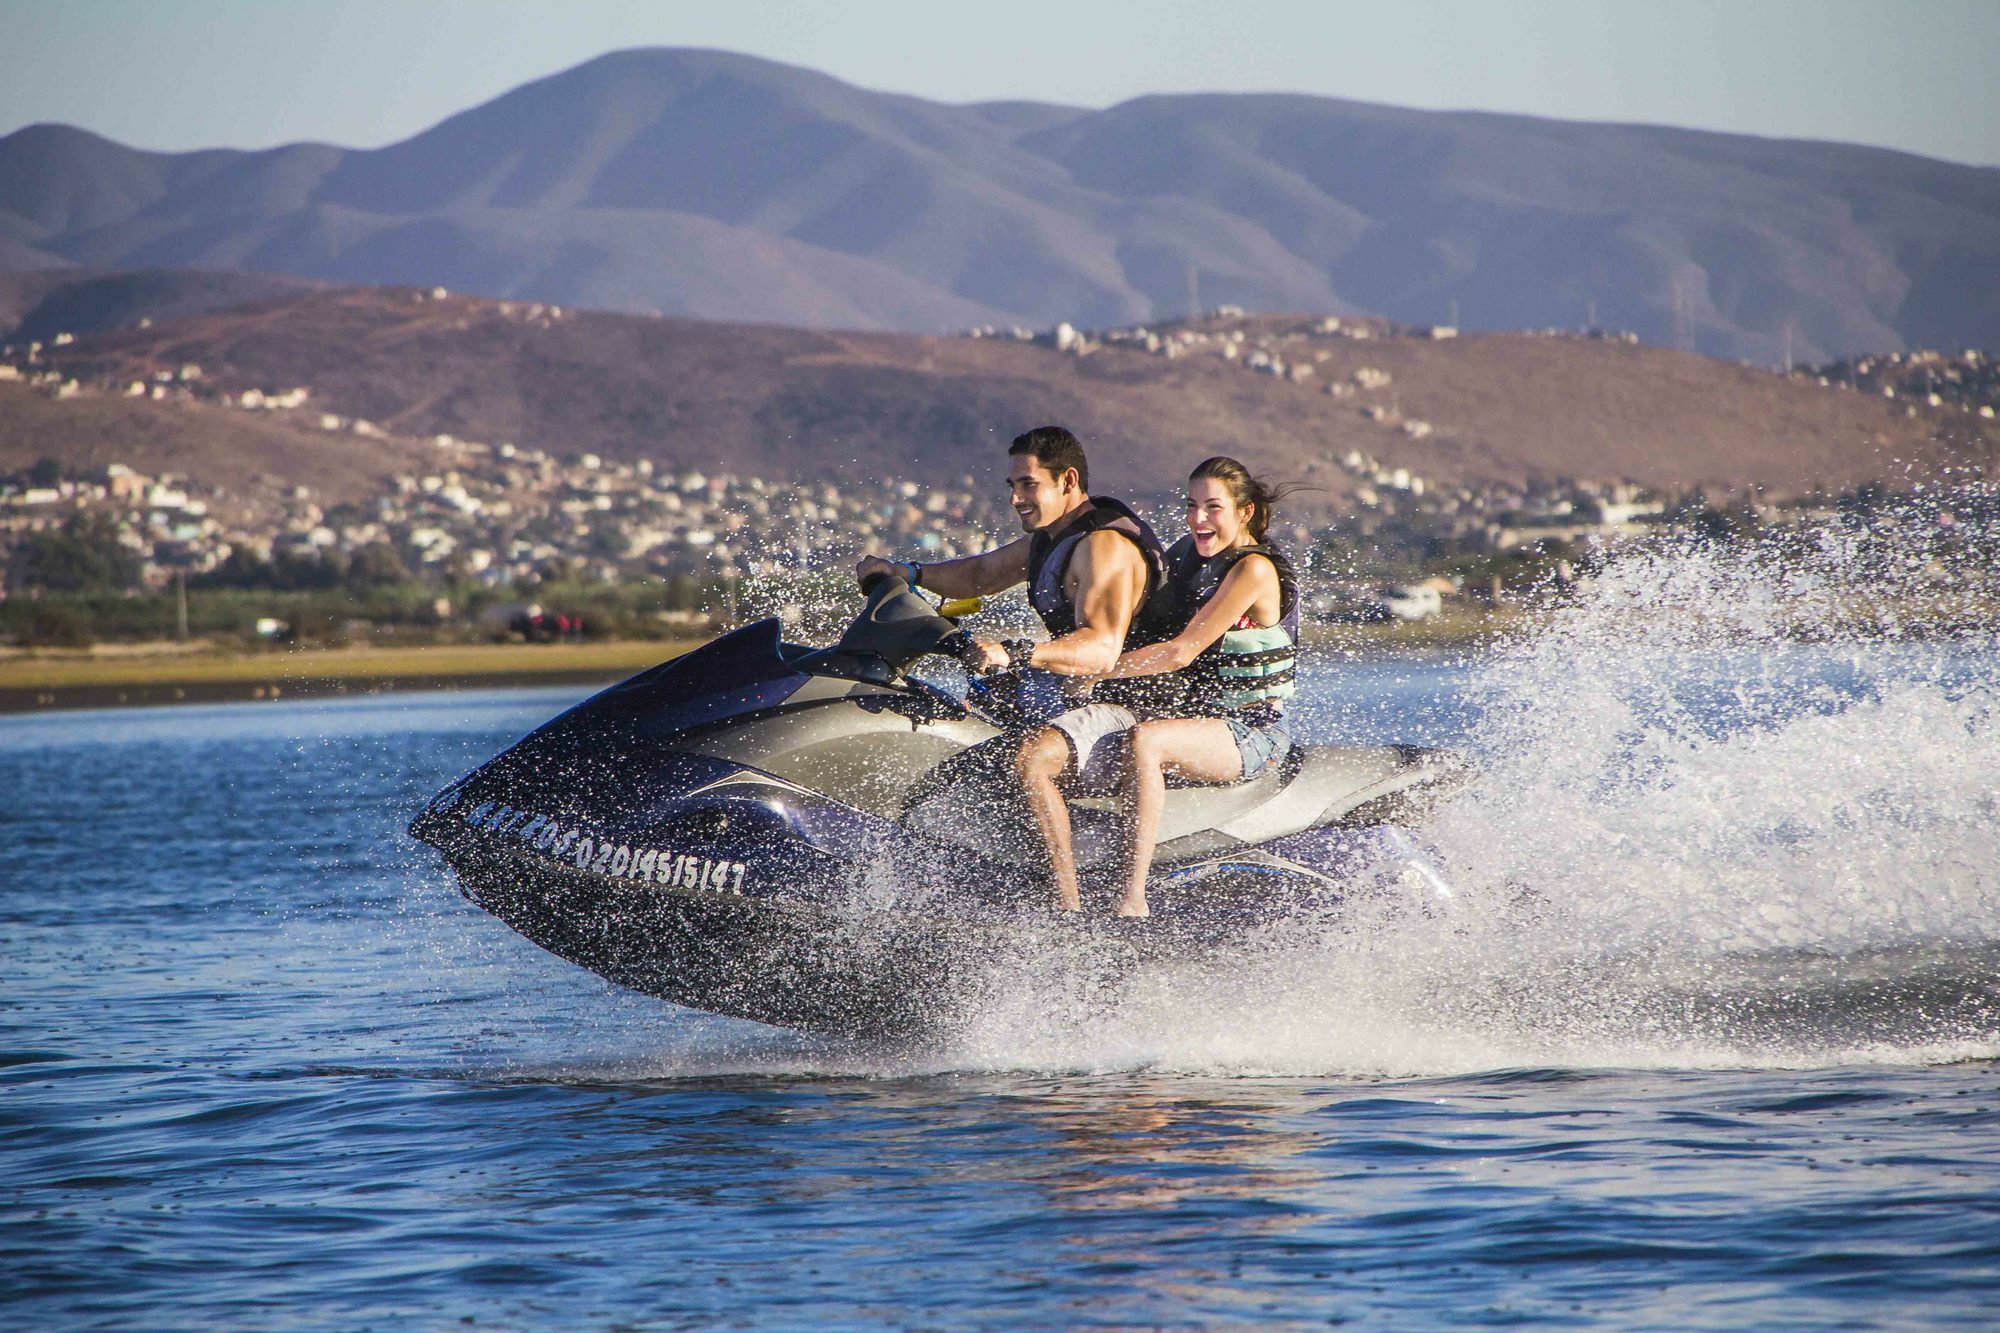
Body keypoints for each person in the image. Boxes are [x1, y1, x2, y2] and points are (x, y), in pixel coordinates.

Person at [855, 426, 1166, 911]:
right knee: (957, 715)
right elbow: (980, 575)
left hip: (1128, 706)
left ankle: (1065, 910)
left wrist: (1017, 652)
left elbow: (1102, 649)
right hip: (1074, 696)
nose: (1017, 498)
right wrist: (907, 573)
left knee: (1029, 760)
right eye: (1013, 487)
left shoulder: (1103, 545)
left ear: (1067, 481)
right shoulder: (1052, 538)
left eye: (1028, 485)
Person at [1094, 456, 1299, 917]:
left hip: (1250, 731)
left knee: (1147, 742)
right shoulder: (1188, 555)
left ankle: (1131, 900)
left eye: (1212, 507)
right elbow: (1141, 620)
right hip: (1199, 722)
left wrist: (1096, 670)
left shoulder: (1253, 570)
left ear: (1244, 513)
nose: (1198, 518)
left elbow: (1181, 652)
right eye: (1191, 506)